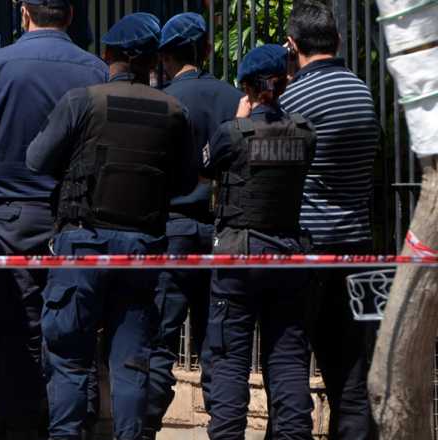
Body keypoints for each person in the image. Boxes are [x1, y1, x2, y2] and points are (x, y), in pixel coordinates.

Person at [27, 13, 192, 440]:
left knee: (68, 356)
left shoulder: (82, 101)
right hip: (141, 250)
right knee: (132, 361)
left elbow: (36, 160)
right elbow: (186, 182)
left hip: (82, 245)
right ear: (153, 59)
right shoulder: (174, 111)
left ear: (107, 54)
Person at [0, 1, 108, 436]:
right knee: (73, 332)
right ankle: (74, 426)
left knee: (15, 335)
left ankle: (22, 426)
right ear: (70, 15)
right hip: (75, 217)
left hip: (11, 219)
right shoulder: (94, 69)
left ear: (24, 13)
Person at [201, 44, 317, 440]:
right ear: (284, 84)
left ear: (247, 87)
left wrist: (239, 119)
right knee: (288, 357)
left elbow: (204, 171)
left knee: (228, 358)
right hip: (289, 256)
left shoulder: (232, 134)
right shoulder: (304, 133)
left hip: (238, 256)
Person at [279, 3, 380, 438]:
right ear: (337, 41)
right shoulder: (362, 92)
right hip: (357, 246)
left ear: (292, 46)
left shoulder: (293, 99)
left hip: (307, 247)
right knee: (352, 366)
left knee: (289, 357)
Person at [144, 12, 244, 439]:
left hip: (171, 230)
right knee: (219, 343)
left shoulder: (160, 101)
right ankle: (225, 429)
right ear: (205, 49)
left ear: (164, 56)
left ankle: (143, 427)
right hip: (221, 230)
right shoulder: (234, 98)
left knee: (158, 340)